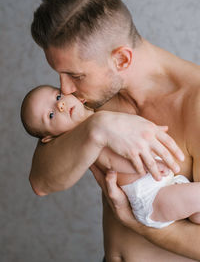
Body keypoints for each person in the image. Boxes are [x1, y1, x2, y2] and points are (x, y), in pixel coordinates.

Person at [29, 0, 200, 261]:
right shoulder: (91, 98)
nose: (66, 89)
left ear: (121, 59)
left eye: (75, 75)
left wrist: (142, 227)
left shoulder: (195, 103)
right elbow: (41, 181)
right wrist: (100, 127)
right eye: (61, 75)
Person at [21, 84, 200, 229]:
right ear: (50, 138)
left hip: (165, 185)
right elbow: (116, 162)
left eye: (58, 97)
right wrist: (148, 165)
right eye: (51, 115)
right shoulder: (89, 142)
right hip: (152, 198)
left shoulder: (101, 112)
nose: (60, 106)